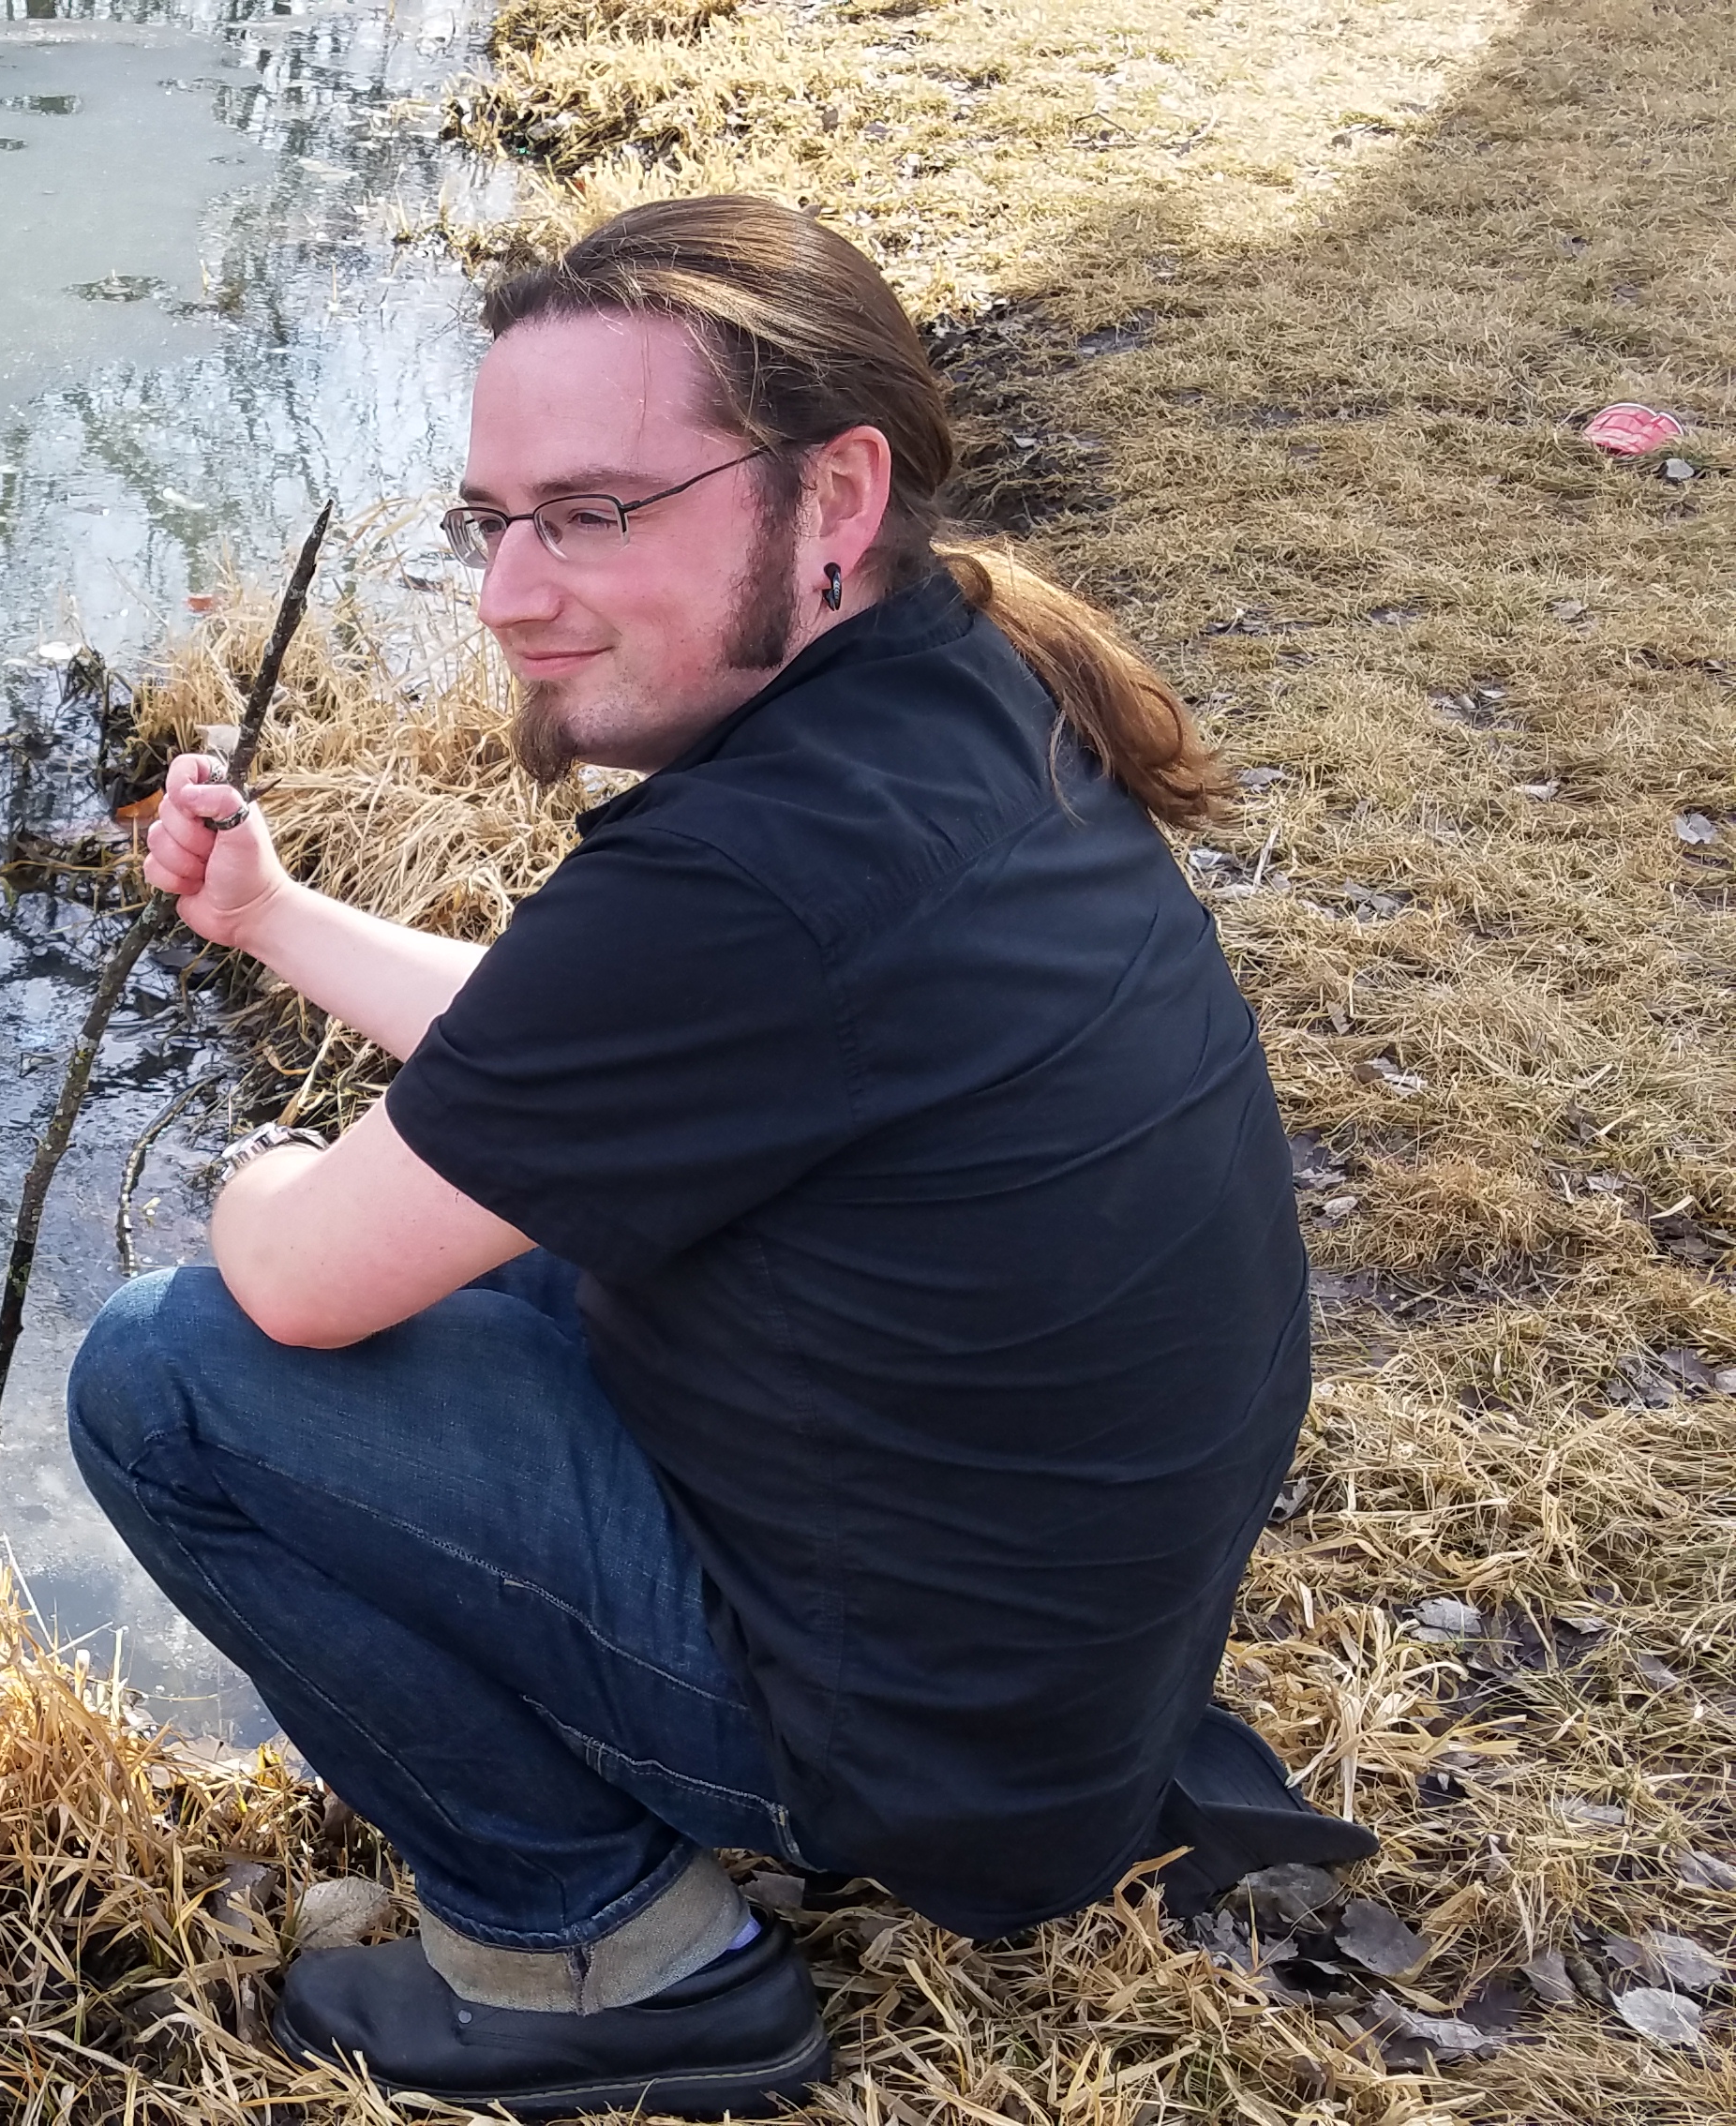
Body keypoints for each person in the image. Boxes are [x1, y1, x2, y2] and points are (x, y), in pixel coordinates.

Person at [67, 195, 1353, 2120]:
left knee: (171, 1376)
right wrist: (270, 918)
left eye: (593, 512)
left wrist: (272, 1170)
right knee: (500, 1228)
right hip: (1059, 1692)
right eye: (492, 522)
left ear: (834, 497)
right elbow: (588, 1060)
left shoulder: (753, 873)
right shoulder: (953, 699)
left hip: (936, 1755)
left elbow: (298, 1280)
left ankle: (603, 1963)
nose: (510, 595)